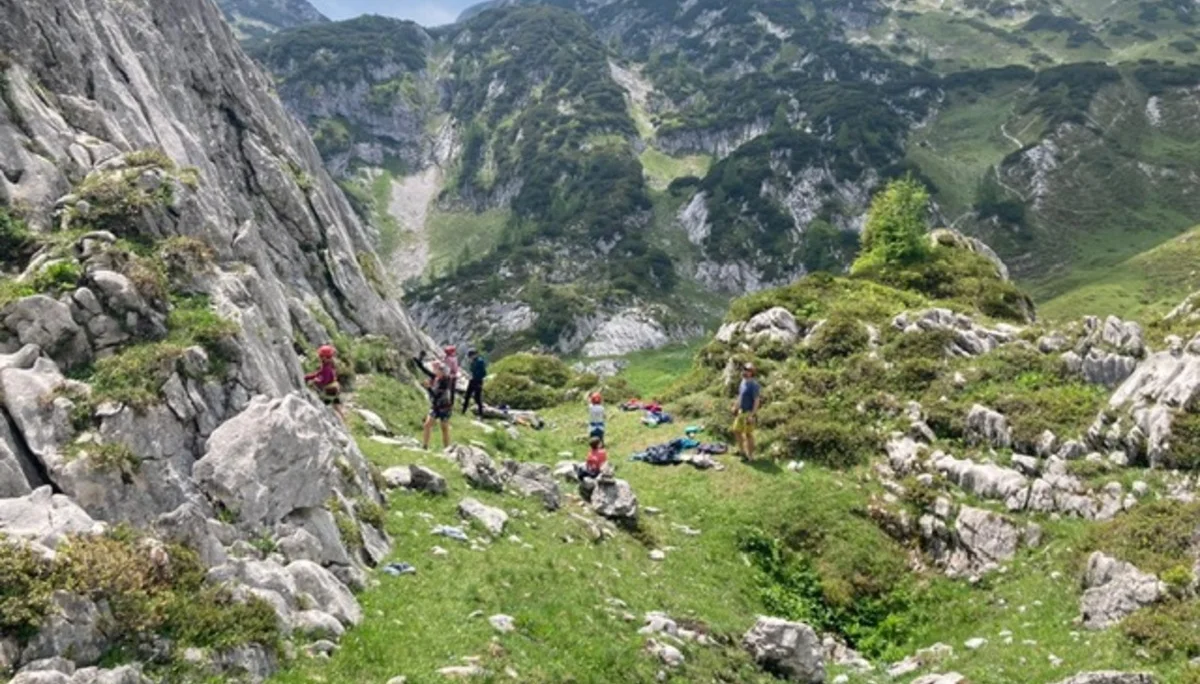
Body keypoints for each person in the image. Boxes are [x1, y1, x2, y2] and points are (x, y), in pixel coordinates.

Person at [415, 351, 454, 451]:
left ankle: (447, 449)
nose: (434, 370)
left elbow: (436, 396)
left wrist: (428, 388)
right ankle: (424, 446)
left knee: (444, 429)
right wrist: (419, 362)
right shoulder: (436, 377)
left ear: (442, 371)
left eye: (437, 369)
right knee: (427, 425)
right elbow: (425, 371)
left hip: (444, 407)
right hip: (436, 406)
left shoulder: (445, 382)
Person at [305, 345, 345, 423]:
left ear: (324, 357)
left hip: (331, 389)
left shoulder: (326, 368)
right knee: (336, 406)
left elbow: (324, 381)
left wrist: (315, 381)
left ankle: (338, 422)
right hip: (335, 387)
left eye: (320, 356)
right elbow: (319, 373)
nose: (319, 357)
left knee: (326, 406)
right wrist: (308, 377)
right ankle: (343, 420)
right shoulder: (327, 365)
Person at [732, 362, 761, 462]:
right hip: (741, 412)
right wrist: (735, 406)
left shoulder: (754, 385)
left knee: (748, 435)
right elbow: (740, 396)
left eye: (748, 370)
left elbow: (757, 401)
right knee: (736, 431)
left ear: (752, 373)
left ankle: (751, 456)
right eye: (744, 369)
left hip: (749, 413)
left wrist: (752, 415)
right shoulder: (743, 381)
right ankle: (742, 451)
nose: (745, 371)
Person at [462, 348, 487, 417]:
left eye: (471, 355)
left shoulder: (480, 361)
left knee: (477, 398)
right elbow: (472, 370)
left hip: (478, 381)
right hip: (472, 380)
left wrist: (476, 376)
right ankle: (463, 411)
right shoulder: (473, 361)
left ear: (475, 355)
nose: (470, 357)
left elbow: (484, 373)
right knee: (467, 395)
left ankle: (481, 414)